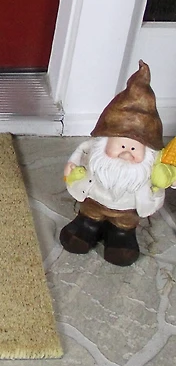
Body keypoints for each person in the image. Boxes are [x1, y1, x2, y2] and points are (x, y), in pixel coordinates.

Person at [60, 61, 176, 266]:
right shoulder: (94, 153)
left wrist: (164, 178)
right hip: (93, 201)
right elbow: (80, 155)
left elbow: (167, 178)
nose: (127, 152)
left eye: (134, 148)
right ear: (104, 141)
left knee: (123, 227)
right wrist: (72, 168)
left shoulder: (149, 168)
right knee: (88, 217)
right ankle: (86, 226)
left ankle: (120, 237)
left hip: (127, 211)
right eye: (121, 145)